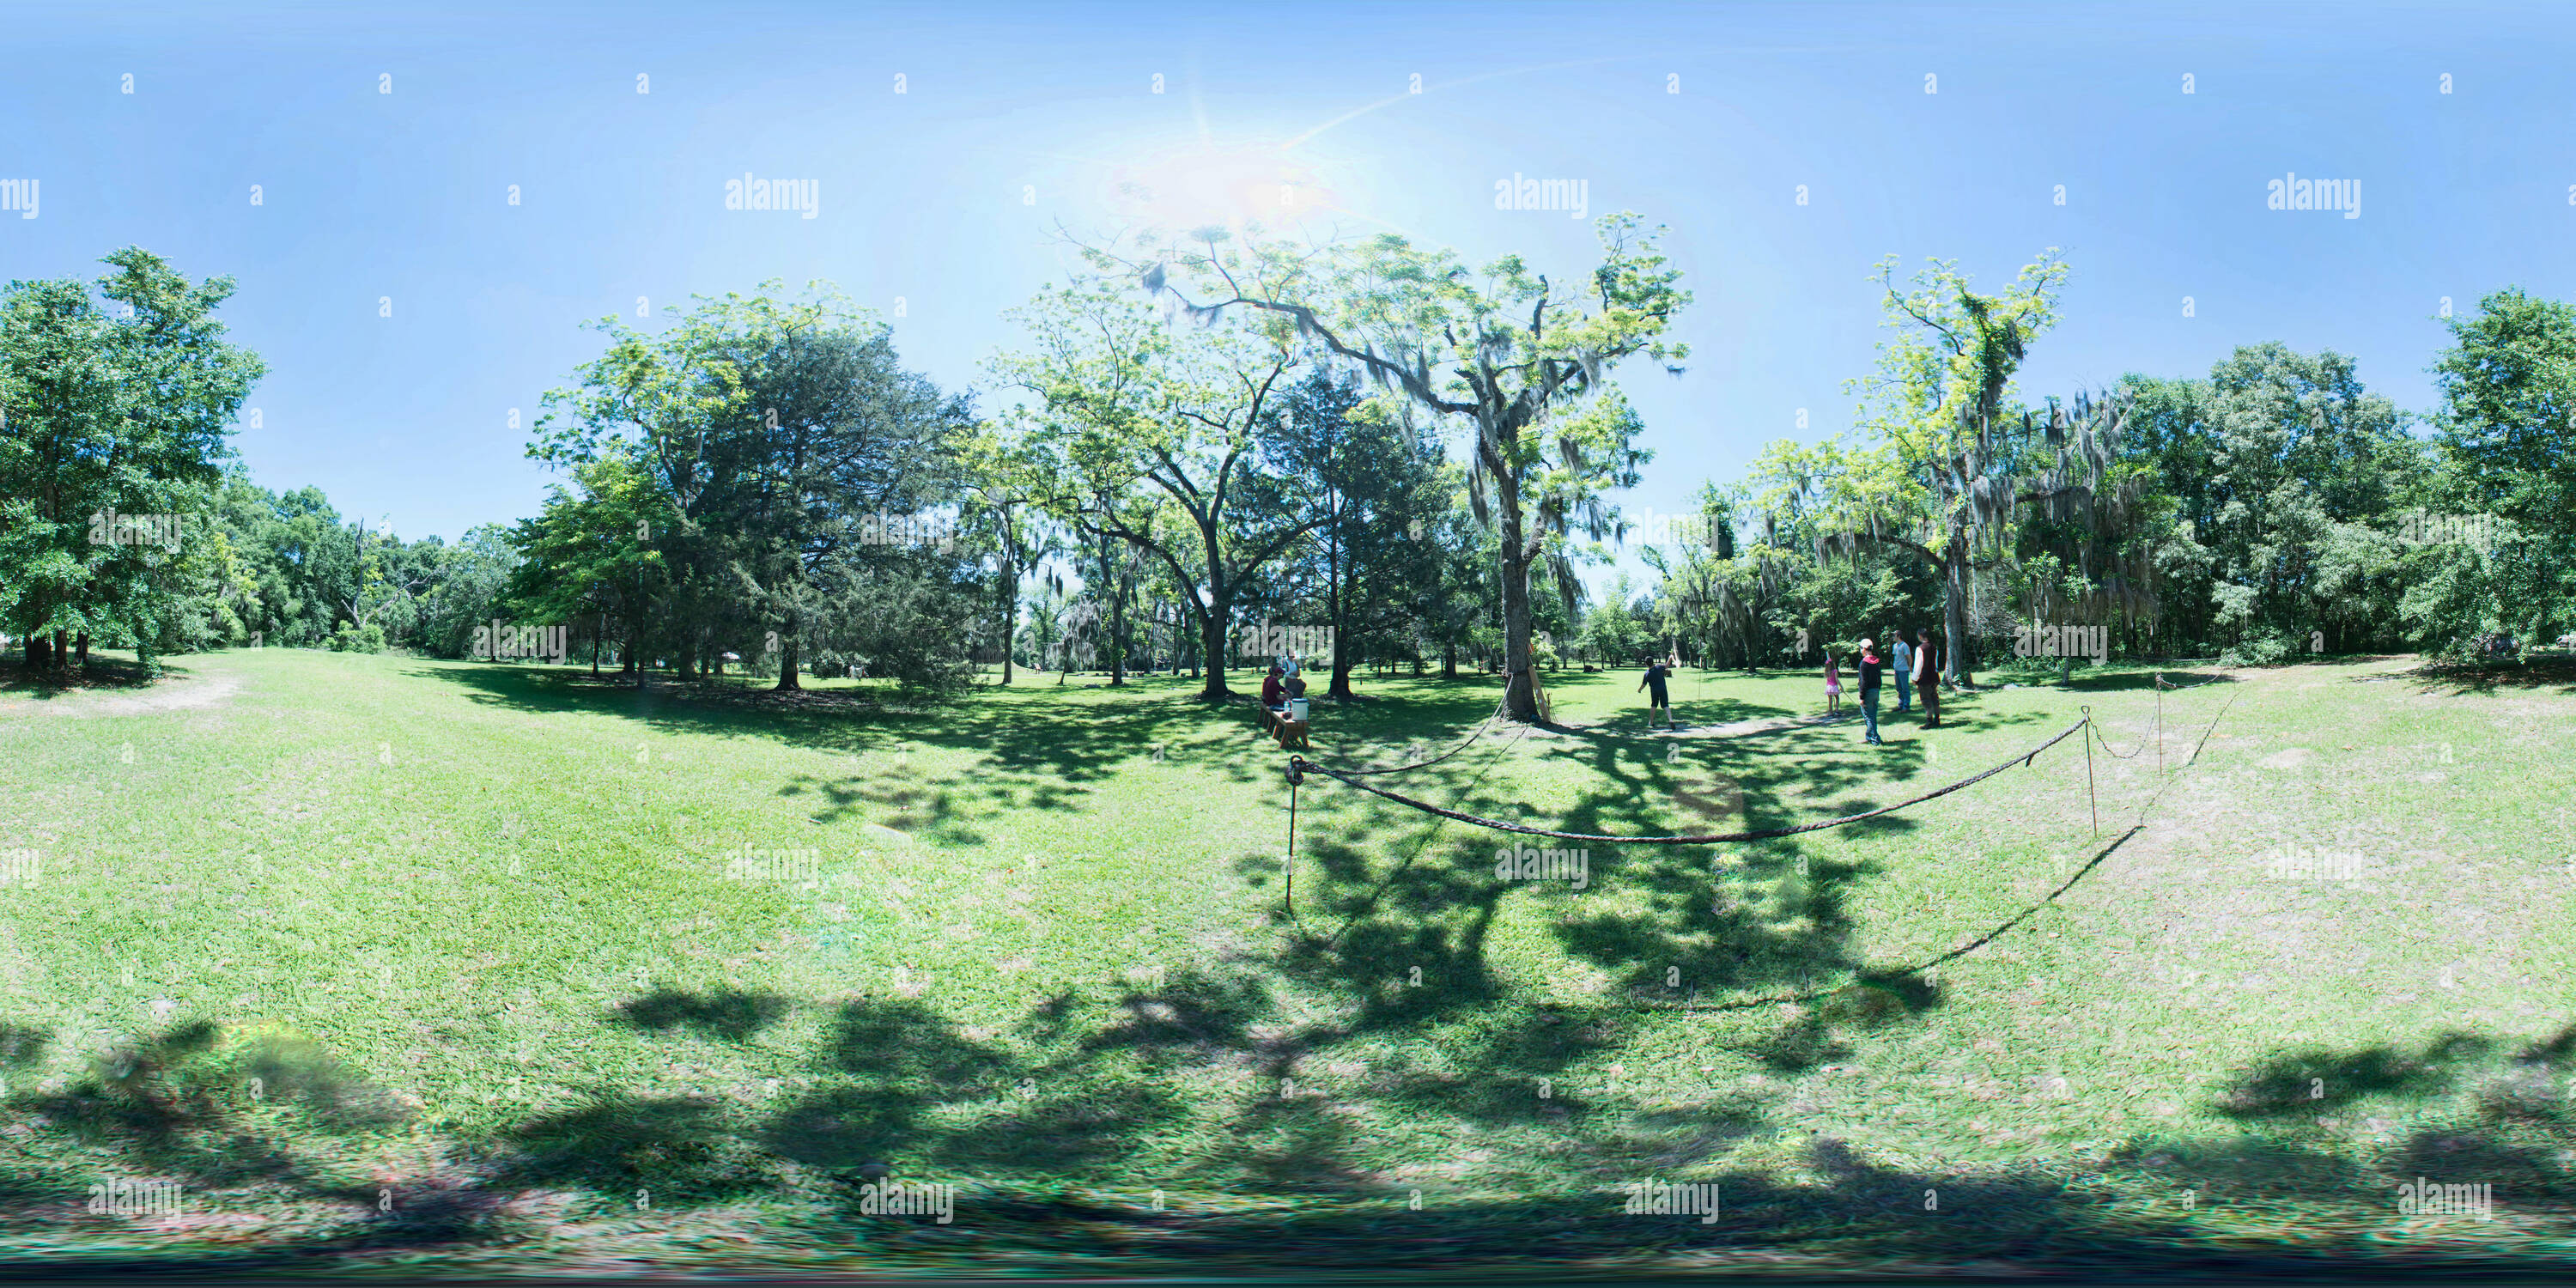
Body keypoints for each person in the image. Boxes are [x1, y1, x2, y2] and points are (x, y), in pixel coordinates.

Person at [1856, 637, 1885, 745]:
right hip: (1876, 691)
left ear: (1864, 649)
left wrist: (1862, 697)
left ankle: (1875, 739)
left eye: (1860, 648)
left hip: (1867, 692)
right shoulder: (1876, 661)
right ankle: (1869, 737)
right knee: (1872, 716)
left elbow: (1863, 682)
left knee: (1868, 717)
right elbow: (1879, 679)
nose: (1860, 650)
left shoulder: (1864, 663)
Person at [1915, 627, 1941, 730]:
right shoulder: (1934, 647)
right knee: (1934, 698)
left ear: (1920, 636)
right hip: (1934, 677)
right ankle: (1937, 720)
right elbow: (1936, 664)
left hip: (1924, 677)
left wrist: (1915, 678)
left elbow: (1918, 665)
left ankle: (1929, 721)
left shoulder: (1920, 648)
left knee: (1926, 699)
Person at [1639, 658, 1673, 729]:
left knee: (1654, 705)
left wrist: (1639, 690)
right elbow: (1667, 665)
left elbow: (1644, 684)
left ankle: (1651, 722)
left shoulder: (1647, 673)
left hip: (1654, 691)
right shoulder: (1659, 667)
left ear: (1646, 664)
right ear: (1653, 662)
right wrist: (1670, 658)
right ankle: (1670, 719)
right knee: (1665, 705)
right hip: (1663, 689)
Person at [1891, 629, 1914, 714]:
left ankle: (1906, 706)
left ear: (1899, 636)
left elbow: (1909, 657)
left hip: (1903, 670)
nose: (1893, 637)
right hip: (1897, 670)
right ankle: (1900, 705)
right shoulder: (1895, 646)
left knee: (1905, 689)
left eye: (1894, 635)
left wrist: (1910, 666)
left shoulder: (1904, 646)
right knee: (1899, 688)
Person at [1824, 652, 1842, 717]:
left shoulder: (1827, 671)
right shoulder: (1835, 671)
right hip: (1834, 686)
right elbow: (1837, 680)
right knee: (1837, 698)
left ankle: (1830, 712)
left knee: (1830, 700)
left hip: (1828, 687)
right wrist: (1841, 686)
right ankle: (1836, 710)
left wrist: (1828, 654)